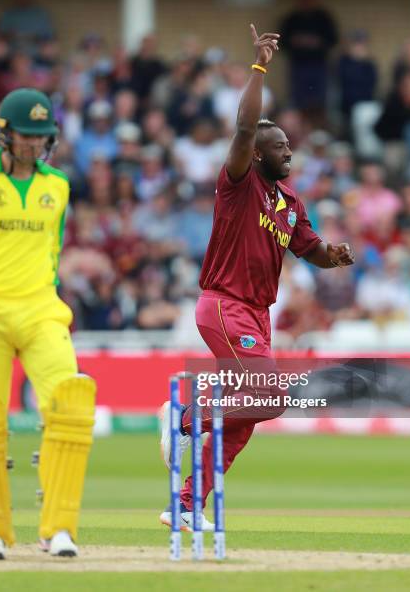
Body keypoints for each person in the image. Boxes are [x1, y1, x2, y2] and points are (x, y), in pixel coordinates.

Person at [159, 26, 354, 531]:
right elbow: (244, 130)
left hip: (257, 314)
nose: (288, 152)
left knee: (247, 421)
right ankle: (183, 417)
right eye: (280, 147)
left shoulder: (291, 204)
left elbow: (310, 250)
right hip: (224, 303)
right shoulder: (239, 184)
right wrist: (260, 67)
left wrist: (333, 255)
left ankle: (184, 505)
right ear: (259, 154)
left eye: (289, 145)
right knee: (269, 396)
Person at [0, 88, 96, 559]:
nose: (34, 144)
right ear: (4, 134)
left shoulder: (59, 186)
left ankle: (59, 528)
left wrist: (40, 296)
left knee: (71, 400)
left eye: (42, 136)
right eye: (26, 135)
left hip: (41, 310)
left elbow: (52, 251)